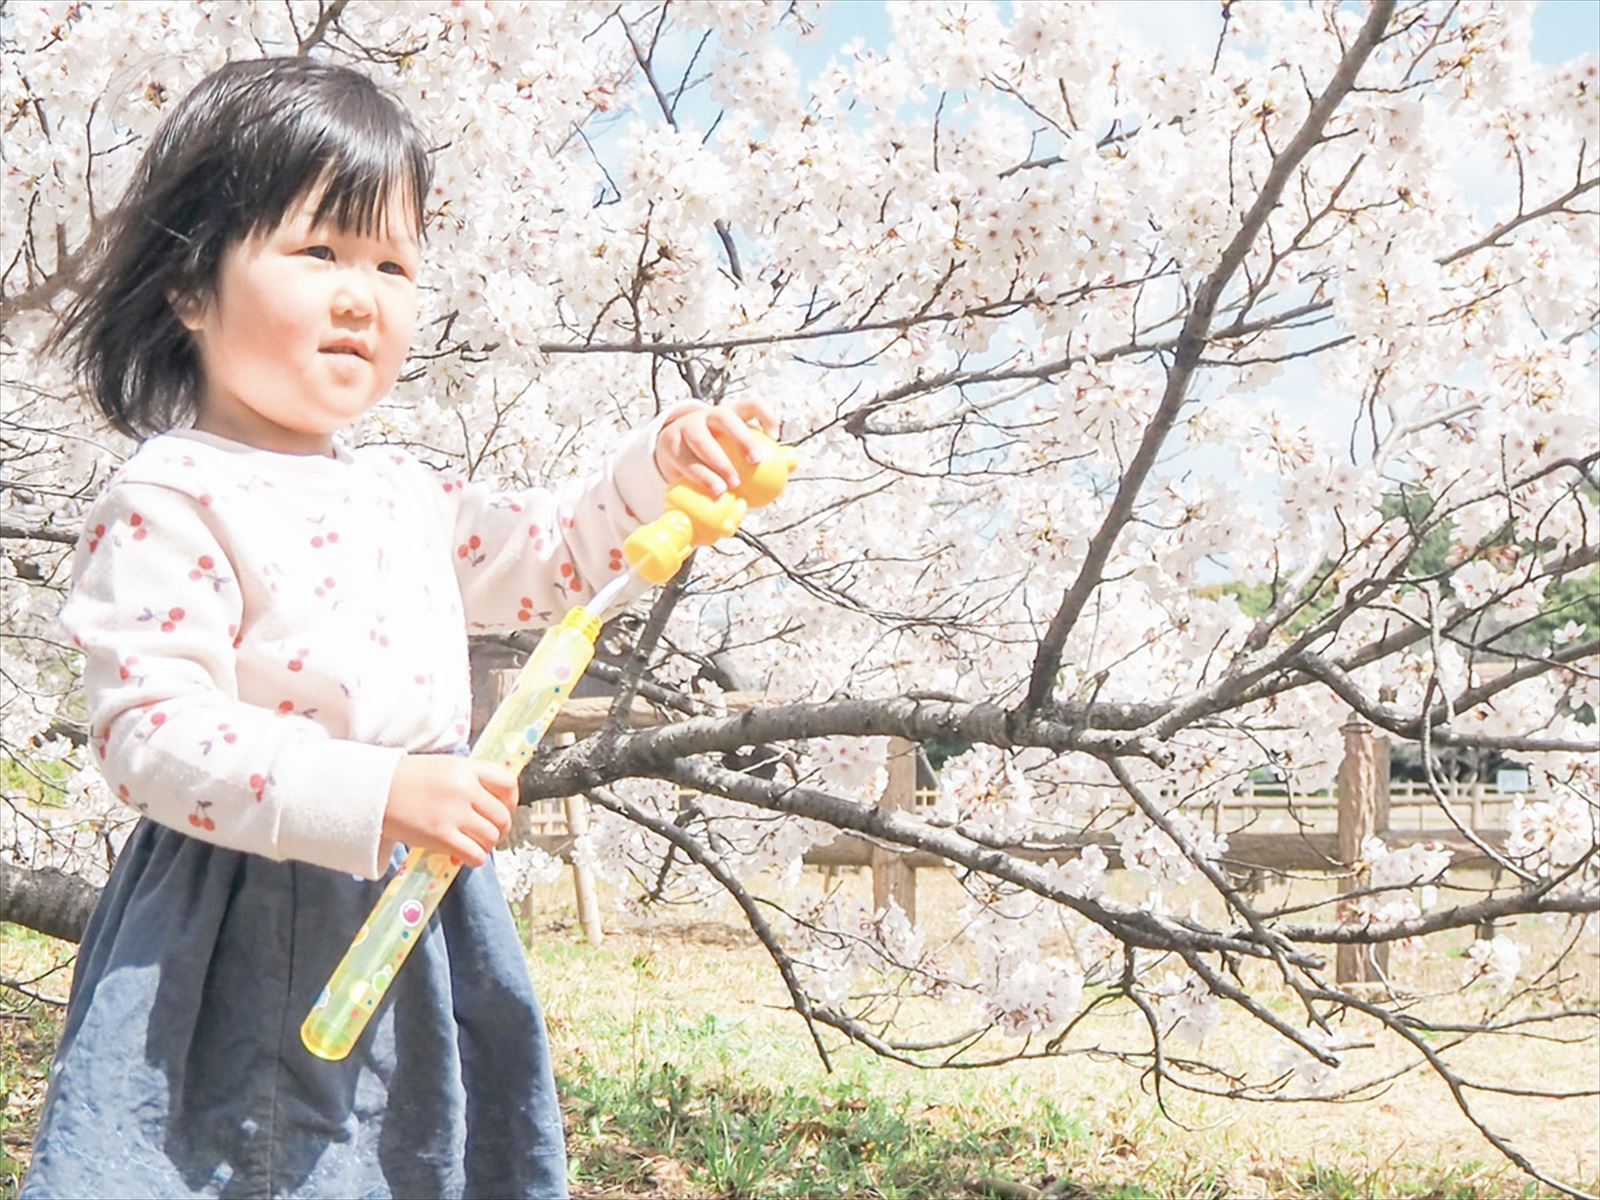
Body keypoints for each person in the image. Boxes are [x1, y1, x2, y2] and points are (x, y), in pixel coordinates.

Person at [22, 56, 775, 1200]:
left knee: (418, 1155)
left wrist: (656, 465)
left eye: (393, 263)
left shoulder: (400, 492)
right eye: (318, 252)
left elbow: (549, 556)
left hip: (419, 903)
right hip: (234, 919)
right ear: (191, 285)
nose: (360, 295)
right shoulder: (173, 494)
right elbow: (151, 732)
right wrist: (369, 791)